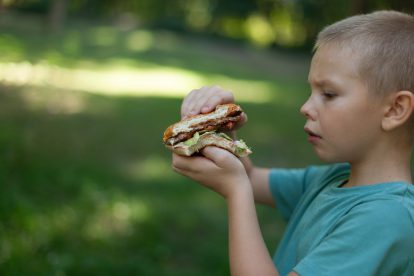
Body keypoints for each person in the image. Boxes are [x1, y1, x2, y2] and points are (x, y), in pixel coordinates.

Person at [171, 10, 414, 276]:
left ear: (395, 110)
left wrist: (236, 192)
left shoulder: (386, 219)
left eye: (329, 94)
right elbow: (249, 178)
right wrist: (220, 127)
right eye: (311, 92)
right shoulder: (332, 180)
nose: (305, 107)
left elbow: (242, 183)